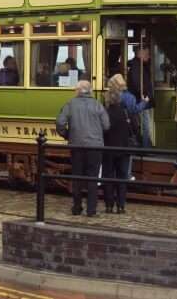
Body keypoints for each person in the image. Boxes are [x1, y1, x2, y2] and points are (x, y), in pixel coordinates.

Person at [56, 80, 110, 217]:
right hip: (95, 147)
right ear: (90, 91)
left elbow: (60, 122)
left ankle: (77, 207)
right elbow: (106, 125)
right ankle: (91, 210)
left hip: (77, 146)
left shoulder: (71, 104)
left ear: (77, 91)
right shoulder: (98, 105)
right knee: (92, 177)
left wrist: (67, 135)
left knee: (77, 177)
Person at [103, 74, 149, 214]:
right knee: (122, 176)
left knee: (109, 176)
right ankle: (121, 206)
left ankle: (109, 205)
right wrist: (144, 102)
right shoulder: (126, 108)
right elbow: (133, 119)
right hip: (124, 146)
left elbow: (104, 128)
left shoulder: (105, 112)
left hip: (109, 147)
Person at [127, 45, 153, 148]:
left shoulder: (140, 65)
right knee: (145, 125)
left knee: (144, 124)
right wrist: (144, 95)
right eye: (146, 54)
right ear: (140, 53)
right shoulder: (136, 66)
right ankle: (146, 148)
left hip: (141, 99)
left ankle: (146, 145)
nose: (149, 56)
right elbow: (137, 83)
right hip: (141, 100)